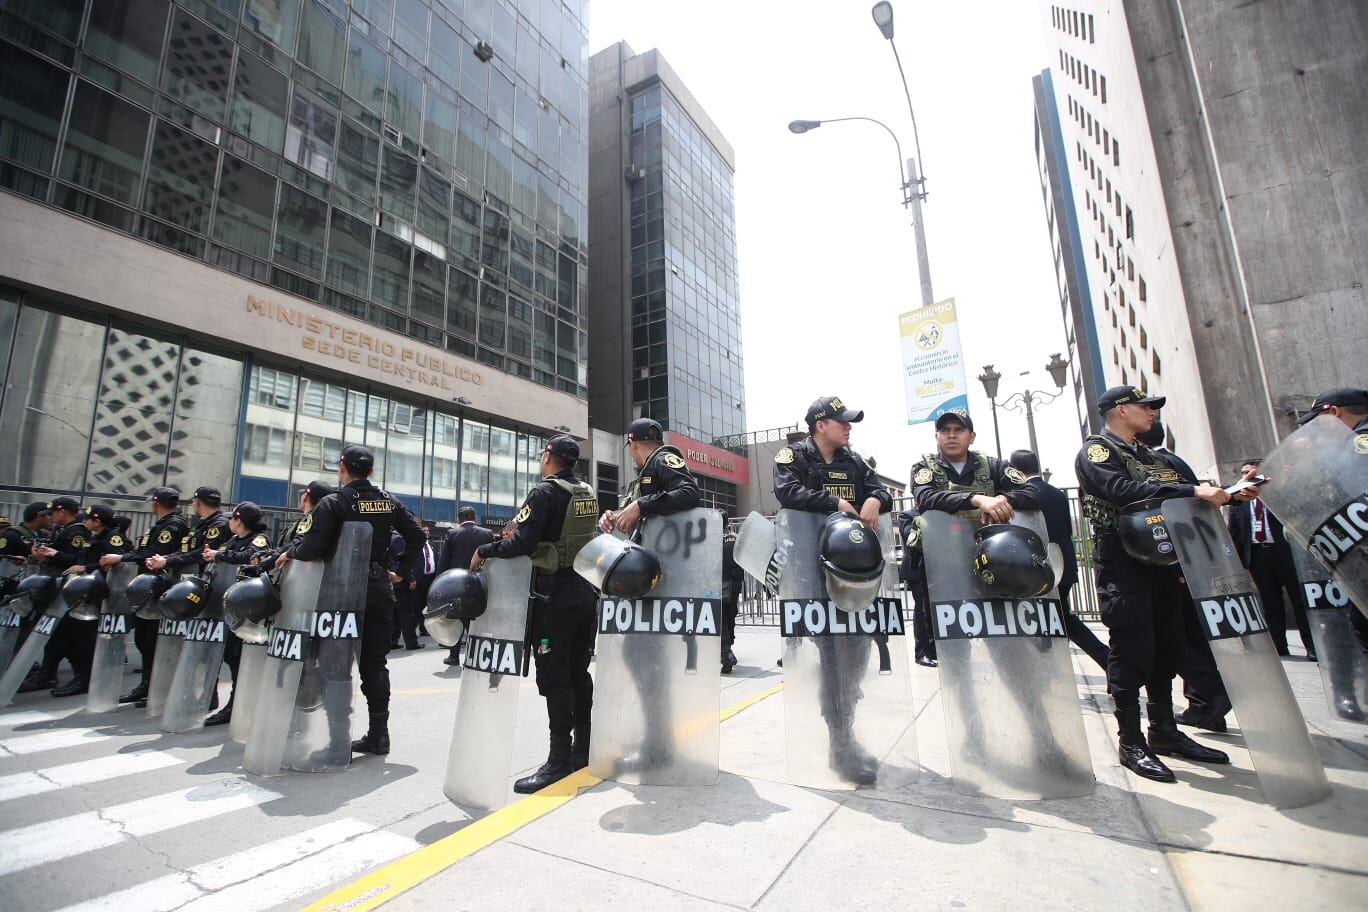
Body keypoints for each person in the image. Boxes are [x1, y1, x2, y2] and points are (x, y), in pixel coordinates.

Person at [1075, 386, 1237, 782]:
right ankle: (1131, 740)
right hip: (1123, 561)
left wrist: (1228, 494)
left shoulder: (1146, 455)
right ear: (1120, 409)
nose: (1151, 413)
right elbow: (1122, 491)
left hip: (1163, 559)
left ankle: (1164, 731)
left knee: (1167, 646)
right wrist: (1189, 490)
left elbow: (1175, 492)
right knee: (1132, 648)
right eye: (1144, 406)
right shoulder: (1097, 452)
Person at [773, 396, 892, 785]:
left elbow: (881, 491)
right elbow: (787, 494)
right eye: (842, 422)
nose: (848, 427)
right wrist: (835, 501)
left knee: (856, 656)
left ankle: (846, 733)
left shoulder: (854, 461)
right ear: (820, 425)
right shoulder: (794, 457)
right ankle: (839, 745)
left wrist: (874, 497)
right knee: (831, 661)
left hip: (853, 577)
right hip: (812, 579)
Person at [276, 447, 423, 756]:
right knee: (374, 663)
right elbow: (417, 536)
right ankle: (379, 735)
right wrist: (399, 569)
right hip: (378, 590)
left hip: (340, 593)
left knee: (336, 665)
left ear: (342, 468)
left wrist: (290, 553)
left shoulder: (334, 502)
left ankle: (338, 740)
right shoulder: (388, 501)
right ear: (371, 471)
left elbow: (313, 546)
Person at [473, 435, 598, 793]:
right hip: (583, 591)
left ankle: (558, 761)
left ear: (549, 457)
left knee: (554, 677)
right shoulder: (586, 491)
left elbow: (521, 543)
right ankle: (583, 748)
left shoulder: (544, 493)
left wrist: (486, 549)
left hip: (552, 596)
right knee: (578, 673)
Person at [598, 417, 702, 768]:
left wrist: (642, 506)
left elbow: (689, 492)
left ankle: (658, 746)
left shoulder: (663, 459)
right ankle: (657, 740)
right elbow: (637, 512)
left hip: (660, 585)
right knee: (641, 660)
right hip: (646, 586)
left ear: (634, 443)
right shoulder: (644, 475)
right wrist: (616, 514)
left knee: (648, 663)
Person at [1134, 420, 1233, 733]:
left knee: (1176, 636)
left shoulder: (1148, 465)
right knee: (1190, 630)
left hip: (1170, 556)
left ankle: (1213, 692)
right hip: (1194, 553)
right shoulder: (1176, 463)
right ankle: (1203, 706)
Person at [1007, 449, 1109, 670]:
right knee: (1055, 617)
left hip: (1038, 570)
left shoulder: (1024, 495)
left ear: (1014, 470)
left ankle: (1106, 659)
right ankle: (1049, 664)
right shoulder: (1057, 493)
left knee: (1059, 618)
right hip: (1063, 564)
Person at [101, 487, 189, 707]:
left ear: (156, 503)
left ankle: (155, 686)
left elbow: (154, 554)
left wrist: (121, 558)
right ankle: (147, 683)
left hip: (158, 587)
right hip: (146, 588)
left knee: (152, 639)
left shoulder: (173, 525)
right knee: (143, 638)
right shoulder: (162, 524)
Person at [1227, 457, 1315, 659]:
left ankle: (1311, 646)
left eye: (1252, 472)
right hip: (1258, 556)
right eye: (1243, 473)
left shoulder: (1278, 495)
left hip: (1284, 553)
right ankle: (1278, 647)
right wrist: (1238, 562)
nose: (1246, 477)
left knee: (1299, 600)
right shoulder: (1239, 502)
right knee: (1270, 602)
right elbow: (1235, 532)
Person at [201, 501, 273, 726]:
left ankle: (239, 704)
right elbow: (221, 553)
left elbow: (253, 556)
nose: (230, 522)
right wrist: (216, 555)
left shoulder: (258, 539)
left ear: (239, 520)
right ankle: (237, 702)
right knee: (232, 656)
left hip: (250, 608)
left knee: (244, 657)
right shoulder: (233, 541)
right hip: (231, 605)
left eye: (232, 518)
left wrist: (220, 556)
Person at [21, 497, 93, 695]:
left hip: (67, 590)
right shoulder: (60, 530)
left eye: (52, 513)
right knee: (54, 636)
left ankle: (79, 675)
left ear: (63, 511)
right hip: (53, 588)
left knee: (65, 635)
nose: (50, 517)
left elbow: (77, 560)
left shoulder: (76, 531)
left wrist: (54, 554)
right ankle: (49, 672)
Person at [437, 507, 494, 665]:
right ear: (474, 517)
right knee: (477, 620)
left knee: (456, 619)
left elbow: (444, 562)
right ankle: (477, 656)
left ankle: (454, 656)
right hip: (479, 581)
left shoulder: (452, 534)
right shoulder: (487, 533)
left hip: (457, 583)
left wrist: (439, 583)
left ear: (459, 519)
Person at [158, 487, 229, 580]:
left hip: (206, 579)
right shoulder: (201, 524)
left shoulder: (219, 525)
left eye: (193, 502)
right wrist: (165, 558)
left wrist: (167, 561)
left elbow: (202, 553)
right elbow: (186, 550)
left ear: (198, 503)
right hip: (189, 575)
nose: (192, 504)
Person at [897, 506, 936, 667]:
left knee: (934, 610)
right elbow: (910, 536)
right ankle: (921, 653)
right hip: (917, 568)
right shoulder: (907, 515)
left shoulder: (937, 513)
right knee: (921, 610)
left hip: (936, 569)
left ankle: (934, 649)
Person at [392, 526, 433, 651]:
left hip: (392, 580)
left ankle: (392, 640)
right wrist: (410, 578)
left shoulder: (388, 537)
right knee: (407, 613)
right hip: (401, 581)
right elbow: (403, 562)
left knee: (395, 613)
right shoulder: (399, 539)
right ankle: (411, 642)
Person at [721, 516, 743, 673]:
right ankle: (729, 647)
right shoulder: (736, 538)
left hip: (718, 584)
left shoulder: (709, 539)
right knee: (730, 616)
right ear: (728, 523)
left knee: (720, 620)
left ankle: (726, 652)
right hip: (734, 584)